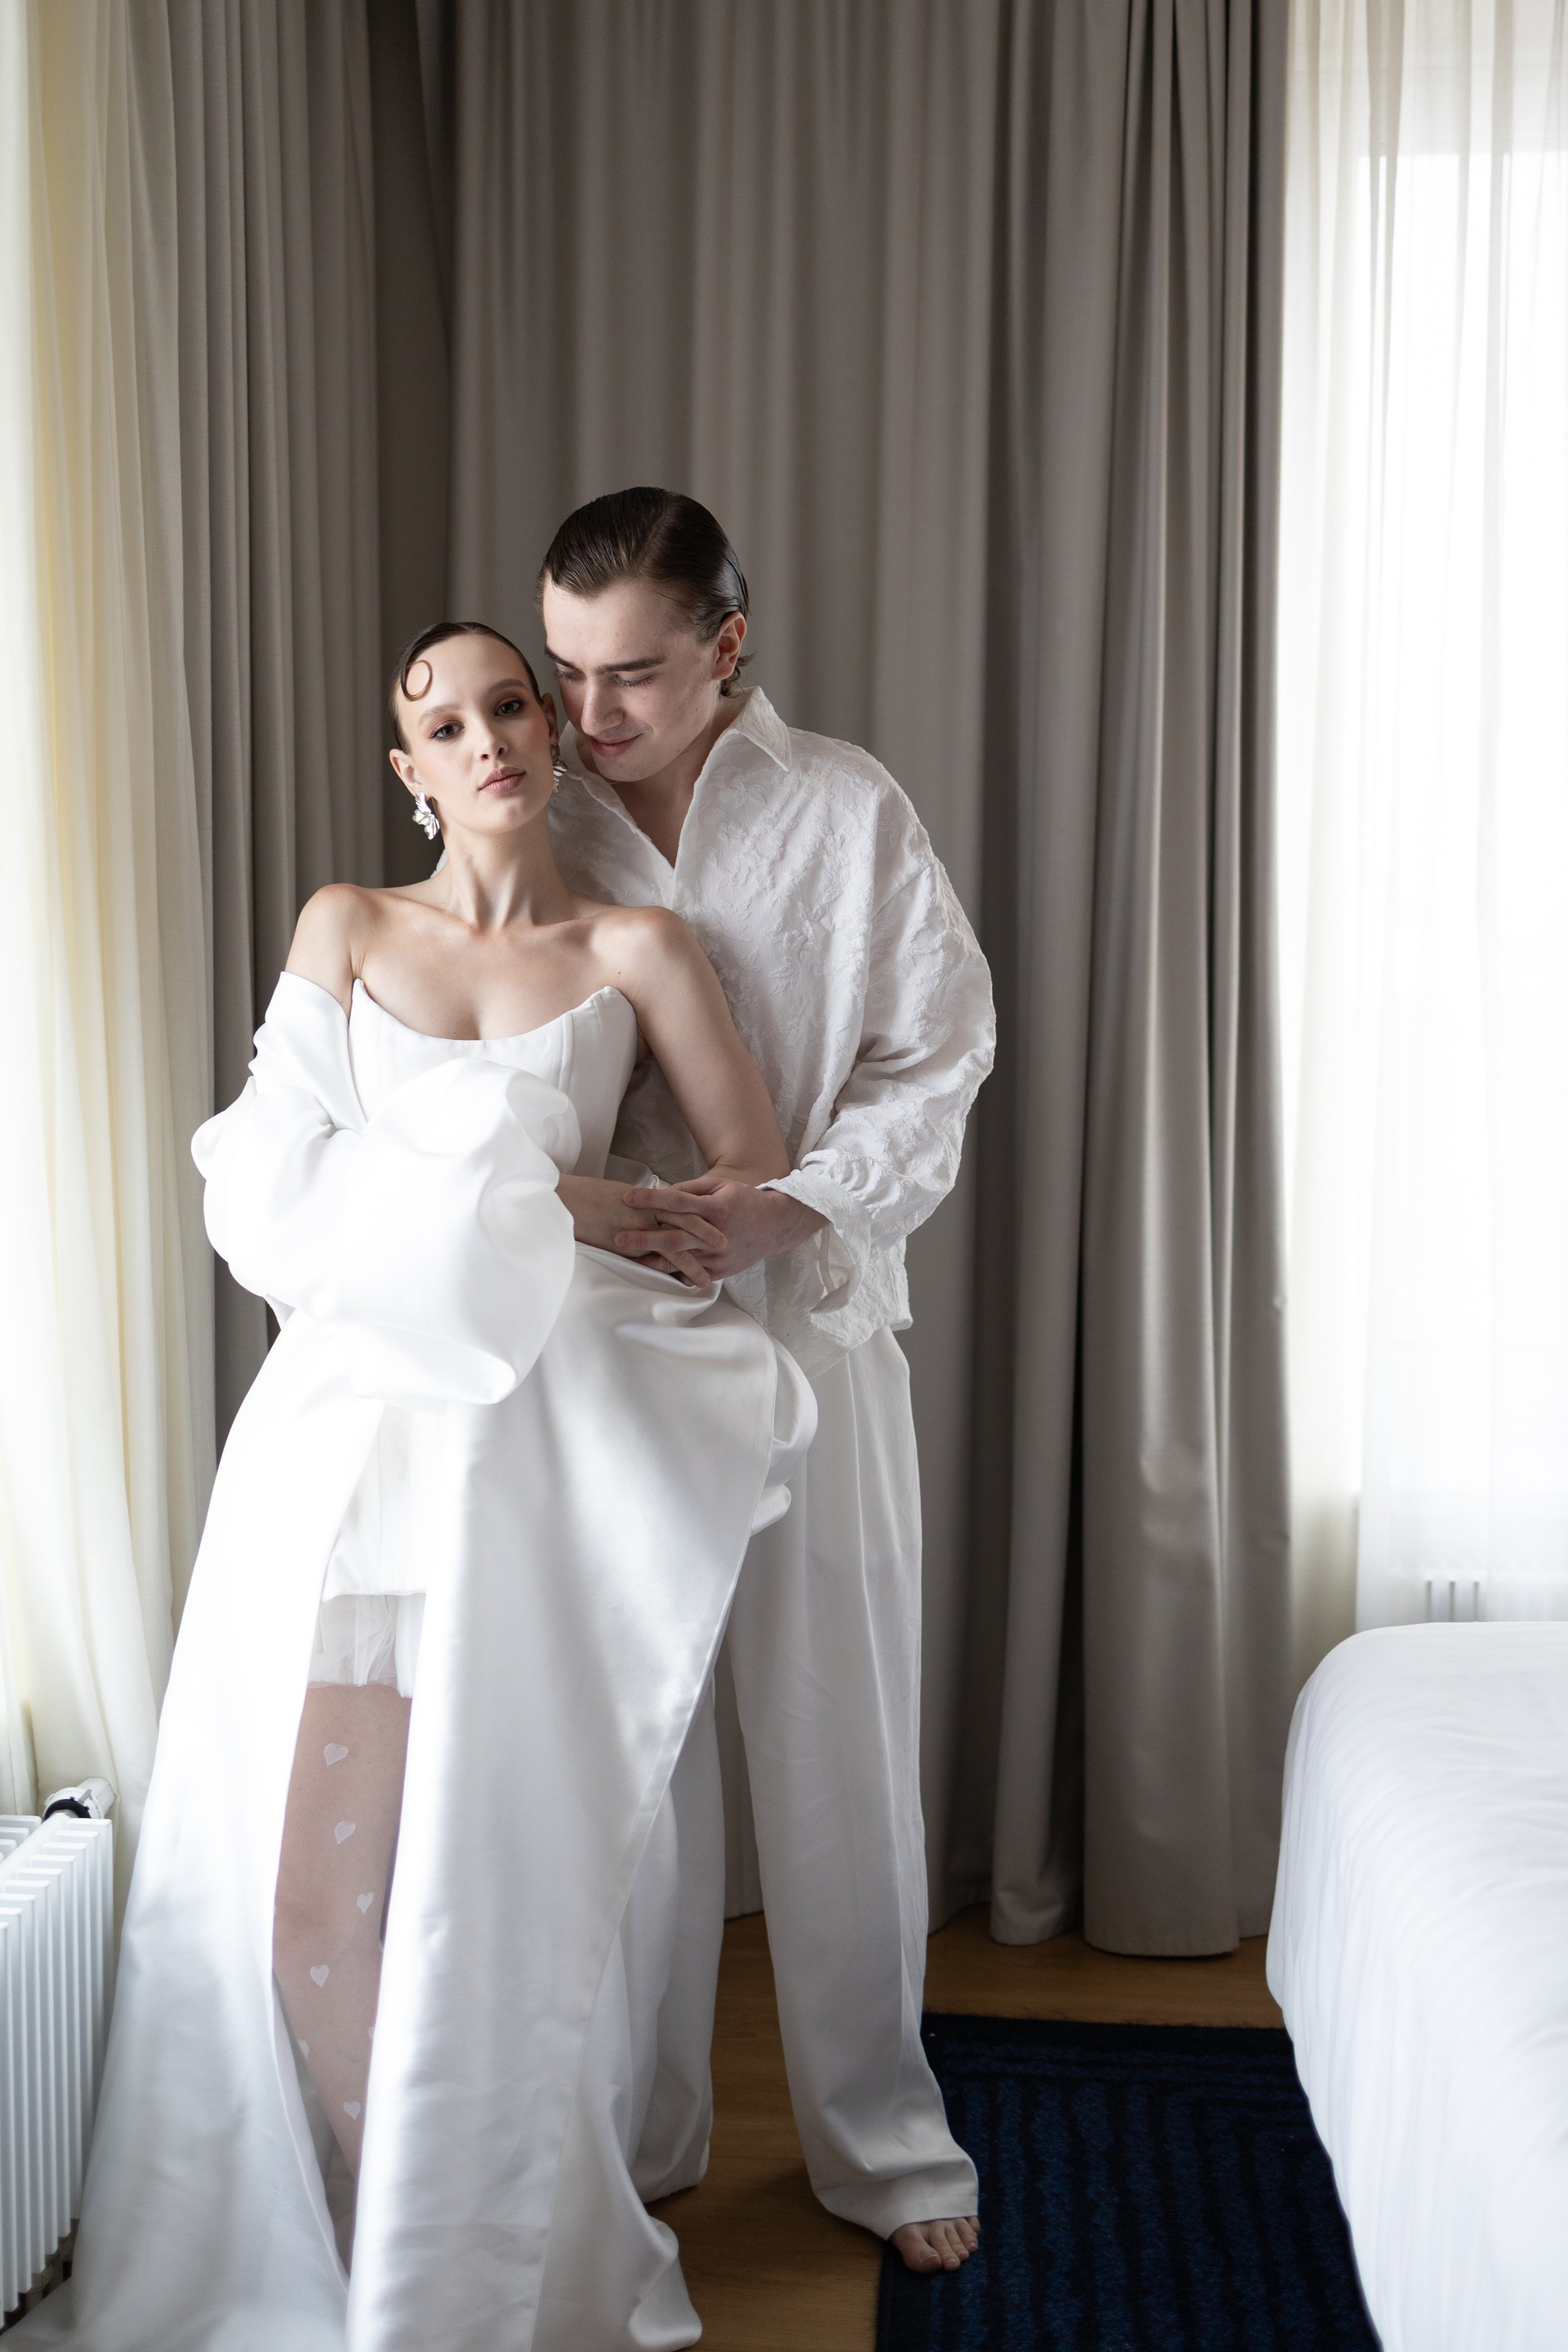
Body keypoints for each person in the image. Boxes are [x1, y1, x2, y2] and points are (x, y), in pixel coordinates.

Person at [19, 621, 815, 2352]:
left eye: (509, 704)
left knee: (486, 1874)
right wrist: (557, 1194)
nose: (487, 739)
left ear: (554, 727)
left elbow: (747, 1183)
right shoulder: (350, 927)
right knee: (307, 1889)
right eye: (442, 724)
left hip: (535, 1443)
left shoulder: (636, 947)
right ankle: (389, 2252)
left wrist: (552, 1211)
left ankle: (463, 2257)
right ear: (411, 773)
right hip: (345, 1447)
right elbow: (263, 1187)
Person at [539, 488, 995, 2274]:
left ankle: (883, 2142)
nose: (589, 714)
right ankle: (641, 2143)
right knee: (628, 1764)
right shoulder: (534, 818)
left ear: (728, 646)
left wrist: (790, 1204)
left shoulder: (849, 811)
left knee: (840, 1744)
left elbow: (936, 1059)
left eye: (633, 673)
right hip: (601, 1353)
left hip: (812, 1323)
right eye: (566, 671)